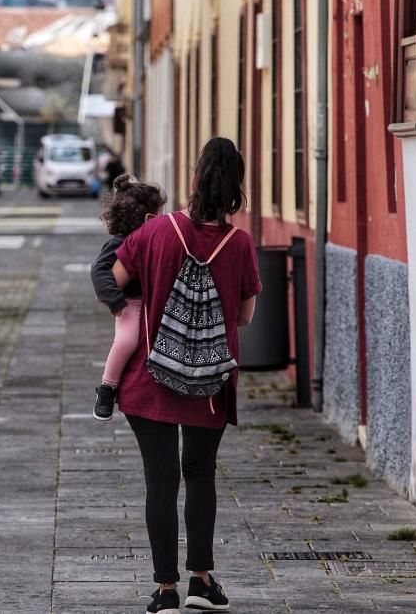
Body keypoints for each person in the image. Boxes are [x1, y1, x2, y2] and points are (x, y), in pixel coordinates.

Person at [110, 137, 261, 613]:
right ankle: (202, 582)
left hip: (149, 378)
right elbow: (244, 317)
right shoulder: (240, 244)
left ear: (193, 181)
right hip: (209, 386)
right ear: (237, 188)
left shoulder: (158, 231)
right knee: (200, 476)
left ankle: (164, 591)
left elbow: (112, 281)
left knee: (160, 480)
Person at [90, 174, 167, 421]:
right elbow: (99, 270)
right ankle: (107, 388)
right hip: (130, 303)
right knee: (126, 341)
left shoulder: (155, 239)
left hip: (154, 301)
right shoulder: (118, 243)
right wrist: (115, 302)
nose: (163, 218)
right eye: (159, 213)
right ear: (147, 217)